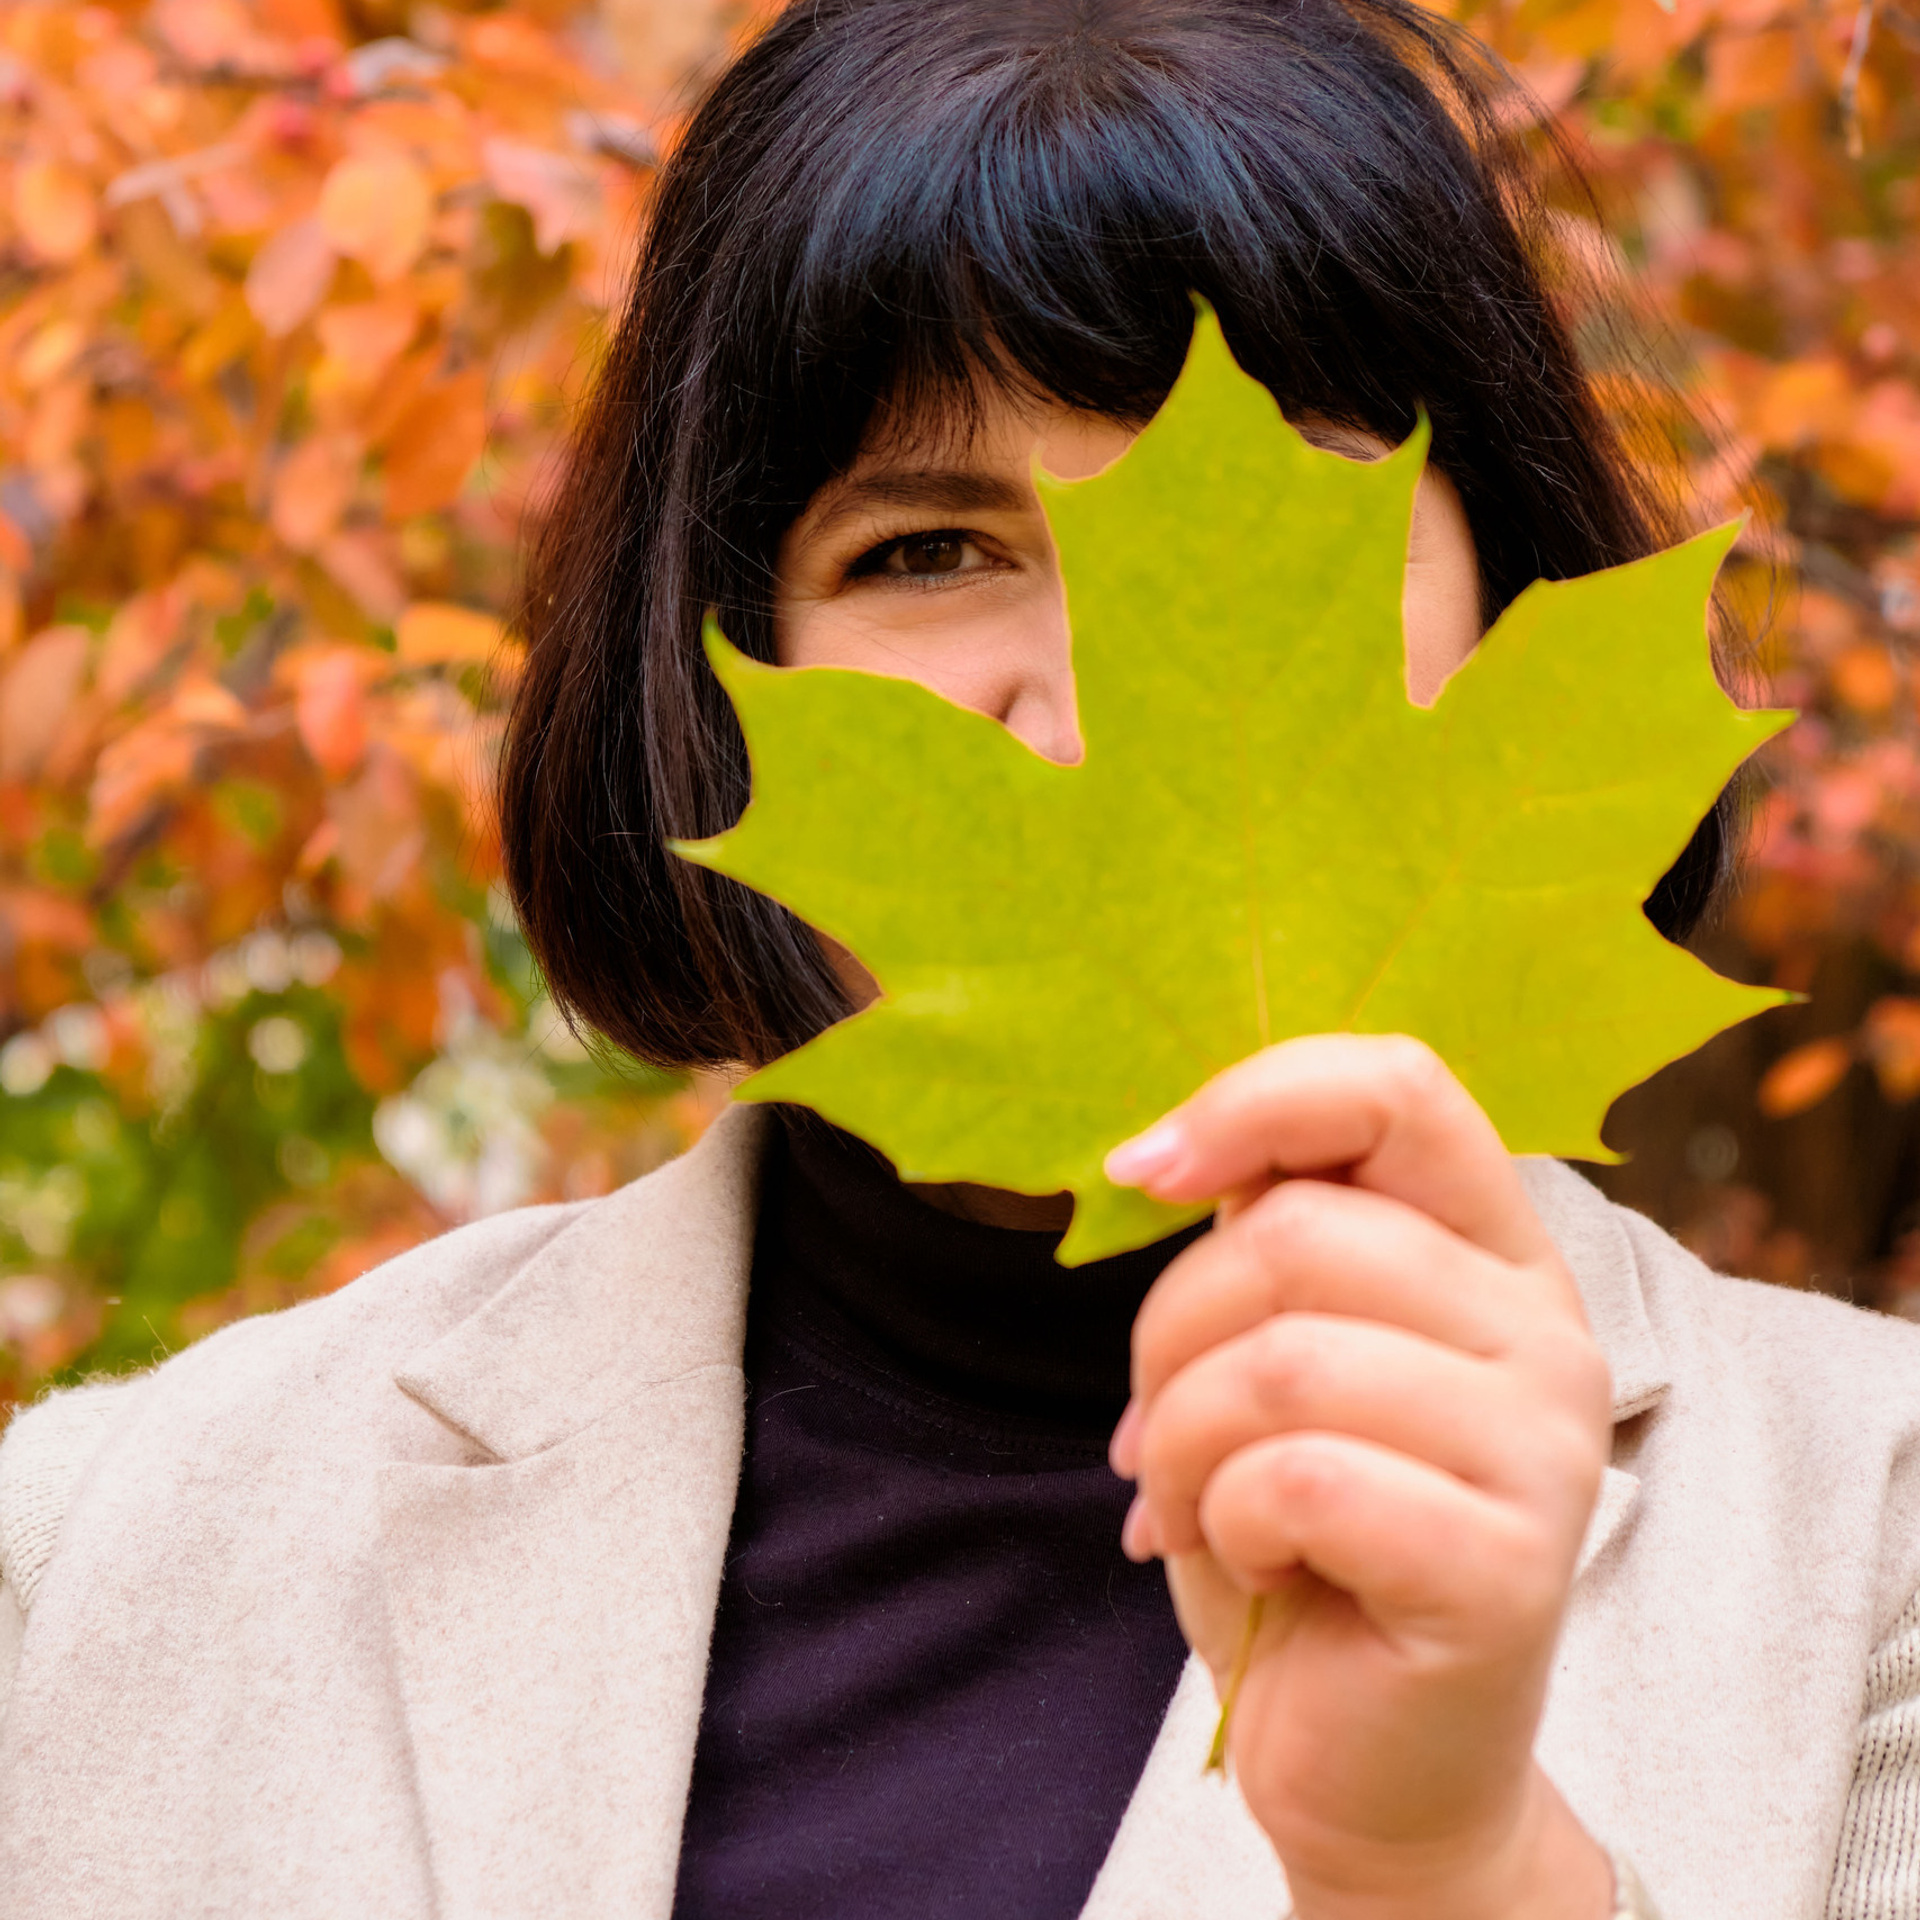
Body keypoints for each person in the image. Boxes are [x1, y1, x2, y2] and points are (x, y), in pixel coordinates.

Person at [0, 2, 1916, 1916]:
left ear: (1522, 603)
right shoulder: (100, 1563)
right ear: (712, 679)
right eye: (927, 551)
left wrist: (1451, 1865)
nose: (1090, 715)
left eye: (1290, 537)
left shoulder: (1876, 1554)